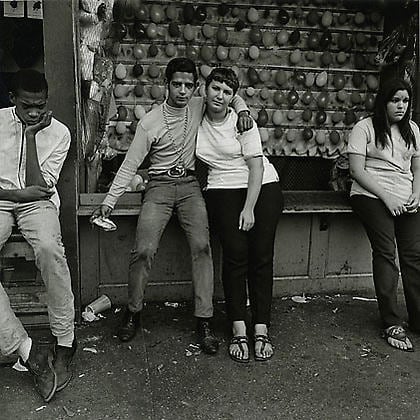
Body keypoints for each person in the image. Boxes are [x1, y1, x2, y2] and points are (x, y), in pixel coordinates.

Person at [91, 58, 252, 354]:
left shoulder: (199, 105)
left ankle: (204, 320)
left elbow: (231, 92)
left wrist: (241, 110)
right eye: (176, 84)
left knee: (202, 247)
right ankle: (134, 311)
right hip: (159, 186)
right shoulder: (151, 120)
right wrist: (109, 201)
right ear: (166, 84)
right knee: (144, 249)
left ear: (195, 87)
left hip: (191, 186)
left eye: (189, 85)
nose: (182, 91)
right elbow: (130, 164)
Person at [196, 68, 283, 362]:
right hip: (222, 187)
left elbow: (256, 167)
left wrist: (249, 208)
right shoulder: (194, 114)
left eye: (227, 92)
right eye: (215, 88)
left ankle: (261, 327)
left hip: (261, 186)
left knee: (261, 256)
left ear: (233, 96)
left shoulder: (242, 122)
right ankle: (238, 327)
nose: (220, 95)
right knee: (234, 254)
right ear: (204, 89)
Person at [0, 69, 76, 401]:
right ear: (12, 98)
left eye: (40, 106)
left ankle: (65, 340)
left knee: (49, 249)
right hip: (1, 200)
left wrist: (32, 136)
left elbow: (39, 188)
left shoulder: (59, 133)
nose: (34, 113)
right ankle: (25, 348)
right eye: (27, 106)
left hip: (37, 204)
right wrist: (11, 196)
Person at [348, 78, 420, 352]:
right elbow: (357, 170)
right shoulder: (364, 128)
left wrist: (417, 194)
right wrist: (386, 198)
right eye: (395, 100)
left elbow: (417, 168)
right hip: (369, 194)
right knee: (386, 251)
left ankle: (418, 317)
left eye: (405, 100)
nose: (400, 106)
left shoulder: (413, 130)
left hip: (405, 196)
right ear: (384, 101)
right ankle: (391, 320)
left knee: (414, 254)